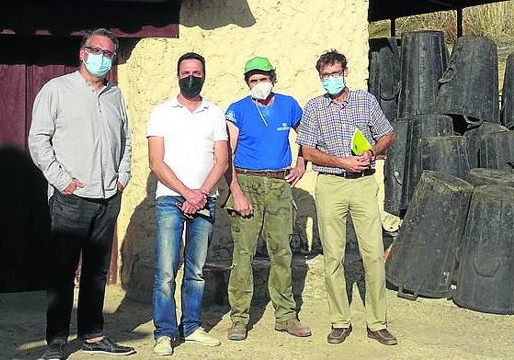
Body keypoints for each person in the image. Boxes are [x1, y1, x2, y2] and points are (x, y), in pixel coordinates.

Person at [28, 28, 136, 360]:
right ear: (82, 52)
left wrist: (123, 176)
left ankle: (92, 334)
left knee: (97, 270)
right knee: (62, 271)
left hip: (108, 197)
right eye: (97, 50)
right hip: (71, 198)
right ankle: (57, 341)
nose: (103, 57)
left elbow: (126, 139)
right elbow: (38, 140)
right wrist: (62, 180)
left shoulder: (115, 94)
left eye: (109, 53)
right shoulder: (56, 90)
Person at [297, 50, 397, 346]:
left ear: (345, 72)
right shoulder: (314, 107)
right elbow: (307, 150)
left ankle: (377, 323)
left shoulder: (365, 100)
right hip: (330, 184)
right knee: (333, 256)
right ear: (320, 77)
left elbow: (388, 133)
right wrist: (342, 162)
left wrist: (373, 152)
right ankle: (340, 321)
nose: (331, 79)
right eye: (325, 75)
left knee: (373, 254)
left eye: (335, 73)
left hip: (363, 184)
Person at [147, 52, 229, 356]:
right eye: (185, 72)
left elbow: (221, 160)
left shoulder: (215, 113)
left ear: (204, 75)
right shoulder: (161, 112)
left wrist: (201, 194)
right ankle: (165, 332)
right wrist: (186, 192)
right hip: (169, 198)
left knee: (196, 270)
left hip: (206, 199)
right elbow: (156, 161)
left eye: (196, 72)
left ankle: (192, 326)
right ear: (177, 75)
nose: (190, 77)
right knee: (166, 270)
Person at [224, 56, 310, 341]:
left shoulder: (288, 104)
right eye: (253, 80)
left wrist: (301, 164)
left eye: (263, 79)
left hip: (278, 184)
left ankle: (286, 315)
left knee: (282, 252)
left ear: (273, 78)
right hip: (247, 181)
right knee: (243, 254)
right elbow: (227, 155)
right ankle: (239, 318)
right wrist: (236, 192)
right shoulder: (237, 110)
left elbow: (306, 135)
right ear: (247, 83)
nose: (259, 84)